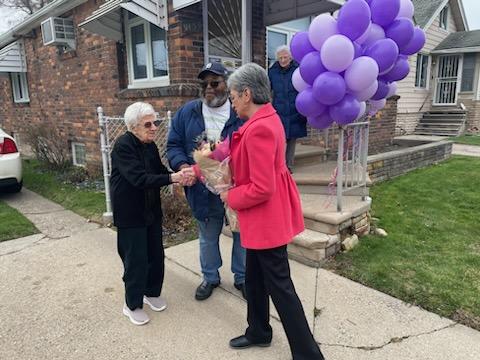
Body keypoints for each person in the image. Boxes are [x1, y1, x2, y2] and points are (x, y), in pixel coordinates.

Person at [221, 63, 325, 360]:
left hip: (265, 217)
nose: (231, 101)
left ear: (247, 94)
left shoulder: (261, 127)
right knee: (255, 278)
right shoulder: (265, 119)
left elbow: (262, 187)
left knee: (280, 287)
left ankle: (308, 354)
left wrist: (231, 195)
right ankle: (258, 331)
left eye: (232, 96)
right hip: (260, 218)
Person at [166, 62, 246, 301]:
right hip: (203, 189)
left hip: (237, 186)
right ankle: (210, 277)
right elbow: (173, 145)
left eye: (215, 82)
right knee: (208, 237)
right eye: (204, 84)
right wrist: (183, 167)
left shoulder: (239, 112)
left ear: (227, 85)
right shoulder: (187, 112)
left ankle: (242, 277)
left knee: (241, 235)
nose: (208, 88)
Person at [110, 102, 191, 326]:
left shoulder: (149, 146)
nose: (154, 127)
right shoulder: (123, 146)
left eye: (155, 122)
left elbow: (159, 173)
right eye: (148, 124)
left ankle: (151, 292)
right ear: (133, 126)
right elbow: (139, 179)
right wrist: (172, 178)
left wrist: (178, 175)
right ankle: (132, 304)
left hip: (151, 210)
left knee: (155, 255)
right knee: (135, 260)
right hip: (130, 213)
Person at [268, 45, 307, 173]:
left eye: (285, 57)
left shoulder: (298, 69)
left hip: (294, 108)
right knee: (279, 138)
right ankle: (278, 164)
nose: (283, 60)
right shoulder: (272, 71)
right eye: (280, 58)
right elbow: (268, 89)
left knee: (291, 138)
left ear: (290, 57)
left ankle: (288, 166)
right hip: (278, 109)